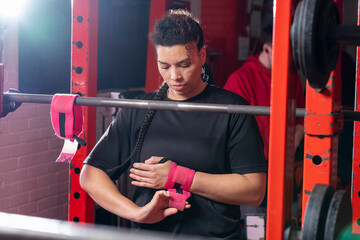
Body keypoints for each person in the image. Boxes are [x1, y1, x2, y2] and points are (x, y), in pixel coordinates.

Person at [80, 9, 267, 239]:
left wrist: (179, 176)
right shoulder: (138, 111)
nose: (174, 76)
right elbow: (90, 174)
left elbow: (254, 190)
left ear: (202, 55)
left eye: (184, 64)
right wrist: (137, 213)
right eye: (165, 66)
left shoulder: (232, 110)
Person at [223, 25, 305, 220]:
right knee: (255, 225)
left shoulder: (292, 80)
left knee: (287, 222)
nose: (288, 59)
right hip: (253, 169)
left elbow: (301, 118)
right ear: (267, 48)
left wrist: (290, 149)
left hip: (285, 166)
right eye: (283, 51)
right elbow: (231, 131)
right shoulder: (240, 80)